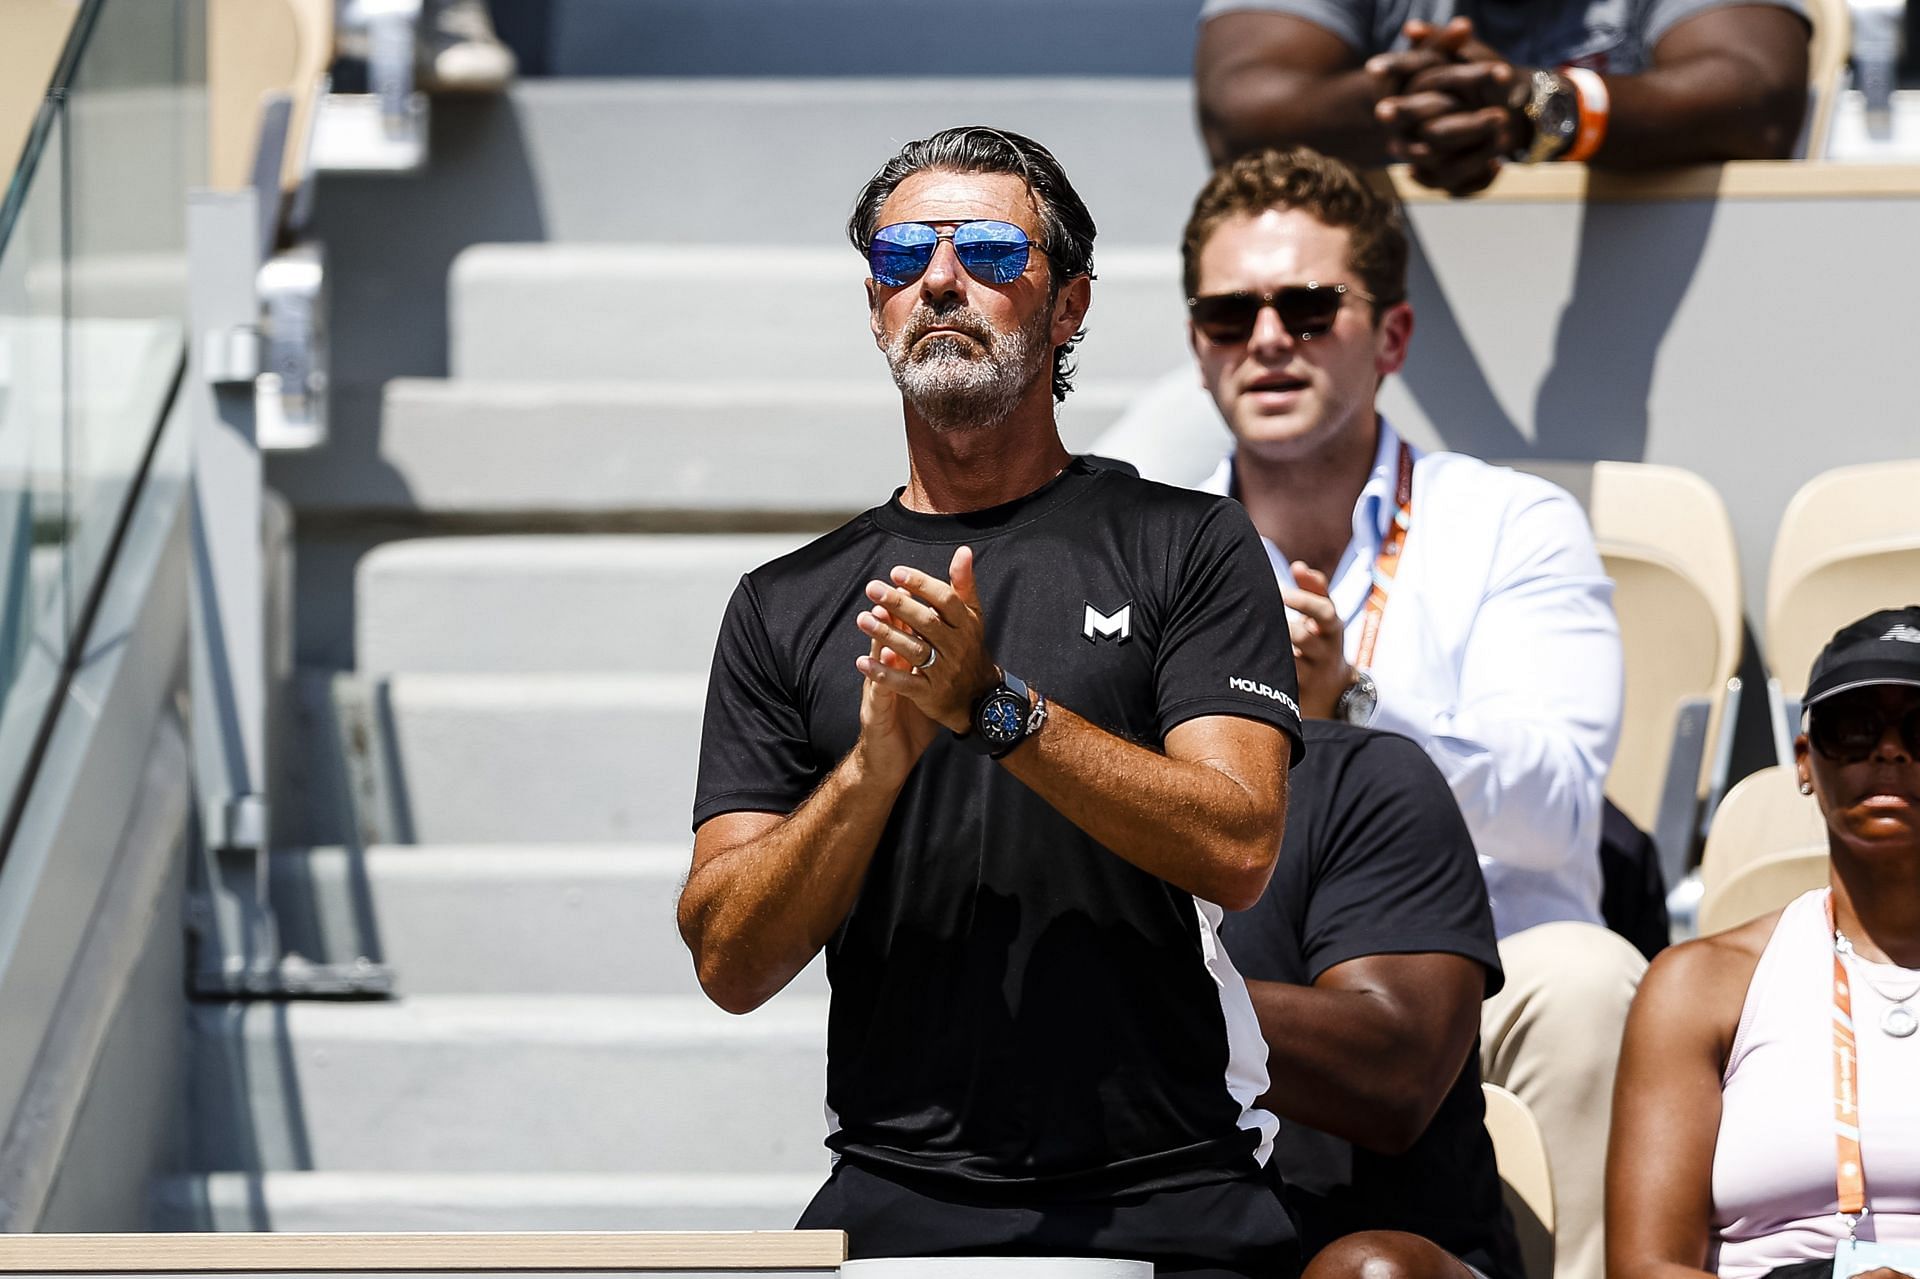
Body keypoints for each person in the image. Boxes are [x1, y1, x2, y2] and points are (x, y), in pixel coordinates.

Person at [678, 125, 1307, 1279]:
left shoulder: (1188, 545)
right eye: (905, 251)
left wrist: (997, 710)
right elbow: (729, 956)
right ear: (876, 304)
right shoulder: (785, 604)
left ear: (1067, 307)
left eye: (990, 252)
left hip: (1167, 1190)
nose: (941, 278)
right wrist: (875, 765)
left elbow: (1240, 840)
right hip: (897, 1194)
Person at [1173, 145, 1644, 1279]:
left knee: (1586, 979)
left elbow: (1559, 810)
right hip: (1255, 966)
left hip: (1493, 969)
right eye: (1231, 313)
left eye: (1307, 304)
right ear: (1198, 345)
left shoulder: (1510, 523)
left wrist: (1353, 708)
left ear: (1390, 337)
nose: (1268, 338)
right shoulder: (1159, 548)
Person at [1609, 605, 1920, 1279]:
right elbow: (1644, 1267)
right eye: (1855, 728)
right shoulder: (1701, 985)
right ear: (1806, 762)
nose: (1890, 750)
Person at [1222, 717, 1524, 1279]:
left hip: (1351, 1246)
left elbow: (1397, 1075)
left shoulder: (1364, 779)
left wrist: (1137, 989)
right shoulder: (1017, 795)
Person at [1194, 0, 1811, 196]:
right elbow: (1238, 108)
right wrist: (1407, 107)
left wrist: (1542, 110)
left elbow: (1756, 97)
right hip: (1351, 340)